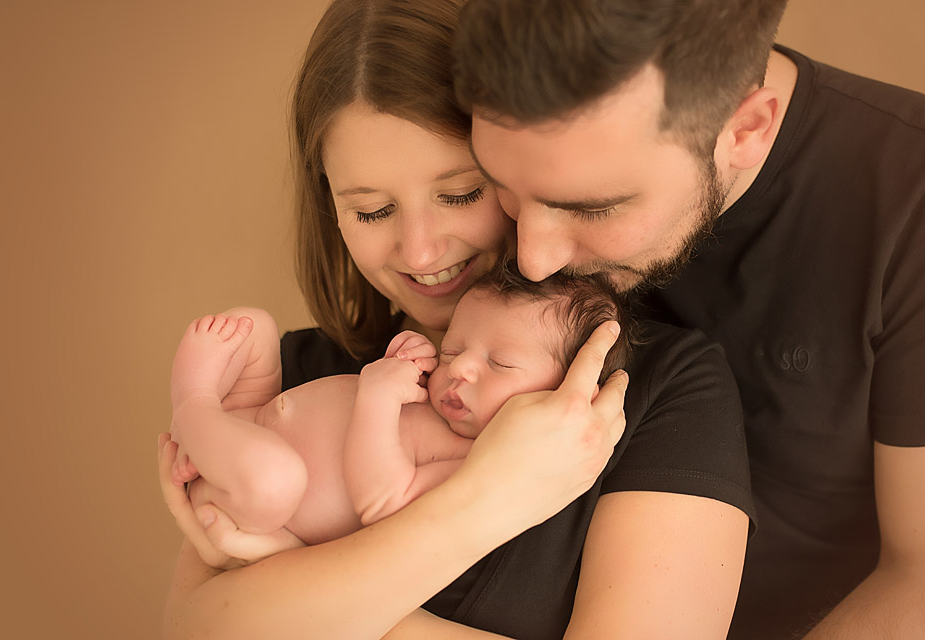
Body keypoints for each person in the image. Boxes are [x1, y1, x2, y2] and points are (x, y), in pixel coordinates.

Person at [159, 1, 755, 638]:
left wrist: (300, 584)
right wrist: (484, 502)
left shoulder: (654, 392)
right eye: (370, 211)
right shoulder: (306, 377)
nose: (419, 251)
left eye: (460, 194)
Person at [450, 0, 925, 638]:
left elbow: (919, 578)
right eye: (502, 187)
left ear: (747, 130)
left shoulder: (907, 201)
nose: (532, 260)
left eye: (593, 210)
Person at [168, 264, 631, 543]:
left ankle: (194, 406)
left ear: (566, 396)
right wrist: (405, 358)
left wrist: (378, 396)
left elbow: (383, 503)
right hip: (253, 415)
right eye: (453, 347)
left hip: (252, 497)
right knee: (252, 325)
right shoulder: (440, 393)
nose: (460, 368)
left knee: (275, 479)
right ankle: (206, 428)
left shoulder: (479, 461)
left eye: (500, 364)